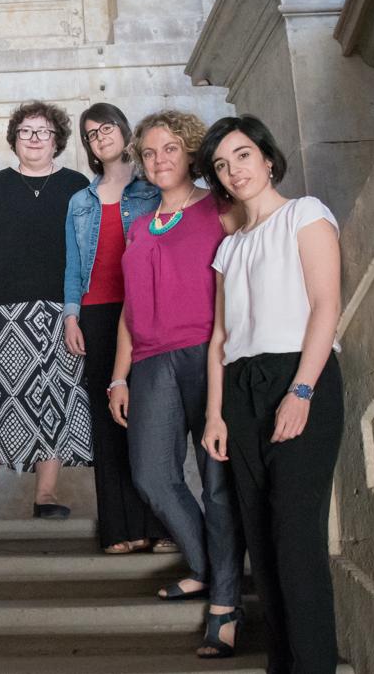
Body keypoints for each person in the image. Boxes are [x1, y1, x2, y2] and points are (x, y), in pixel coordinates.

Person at [199, 115, 343, 672]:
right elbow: (219, 338)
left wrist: (302, 390)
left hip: (298, 376)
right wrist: (215, 415)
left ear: (265, 157)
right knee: (261, 540)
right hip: (240, 387)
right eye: (220, 164)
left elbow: (325, 304)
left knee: (295, 540)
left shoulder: (305, 214)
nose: (233, 170)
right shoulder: (228, 249)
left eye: (241, 155)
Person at [109, 110, 245, 658]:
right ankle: (210, 567)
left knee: (217, 483)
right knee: (152, 475)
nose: (159, 160)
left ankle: (225, 606)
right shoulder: (139, 226)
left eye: (170, 149)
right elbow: (128, 306)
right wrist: (119, 375)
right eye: (149, 152)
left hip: (211, 355)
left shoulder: (221, 209)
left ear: (189, 153)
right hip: (150, 362)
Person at [0, 100, 92, 521]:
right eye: (26, 131)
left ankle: (45, 494)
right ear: (14, 139)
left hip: (57, 313)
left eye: (43, 131)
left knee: (52, 397)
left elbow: (89, 249)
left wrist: (80, 307)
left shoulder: (76, 186)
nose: (33, 138)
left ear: (57, 140)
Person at [63, 103, 174, 552]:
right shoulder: (80, 200)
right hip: (97, 314)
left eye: (106, 128)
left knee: (152, 418)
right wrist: (71, 313)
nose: (100, 137)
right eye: (91, 134)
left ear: (123, 131)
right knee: (108, 420)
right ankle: (120, 529)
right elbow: (74, 264)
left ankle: (162, 526)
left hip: (147, 309)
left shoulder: (153, 187)